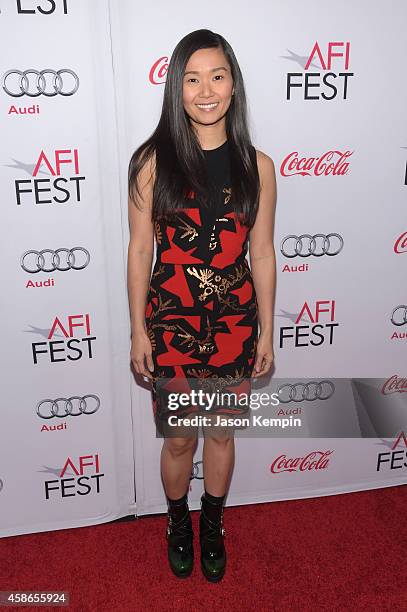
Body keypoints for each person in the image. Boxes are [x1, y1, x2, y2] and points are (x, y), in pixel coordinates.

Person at [127, 28, 276, 582]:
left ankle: (212, 522)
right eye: (192, 79)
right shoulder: (151, 163)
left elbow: (261, 253)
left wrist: (266, 331)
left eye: (217, 76)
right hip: (170, 325)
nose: (206, 90)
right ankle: (177, 520)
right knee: (180, 438)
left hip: (236, 324)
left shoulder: (258, 167)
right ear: (177, 88)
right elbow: (141, 248)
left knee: (220, 433)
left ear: (233, 85)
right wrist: (139, 331)